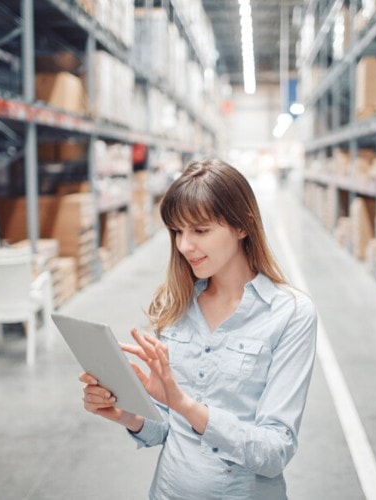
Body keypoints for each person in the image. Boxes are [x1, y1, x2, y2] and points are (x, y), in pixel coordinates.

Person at [79, 159, 317, 499]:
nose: (184, 245)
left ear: (242, 227)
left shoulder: (290, 315)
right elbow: (168, 428)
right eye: (177, 231)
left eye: (200, 230)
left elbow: (274, 451)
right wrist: (125, 413)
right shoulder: (175, 305)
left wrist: (184, 403)